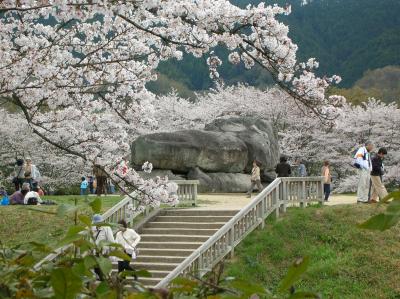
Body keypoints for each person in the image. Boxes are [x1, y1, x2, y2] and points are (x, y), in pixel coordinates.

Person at [91, 214, 115, 280]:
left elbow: (111, 240)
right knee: (96, 268)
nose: (98, 224)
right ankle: (101, 278)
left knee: (104, 268)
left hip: (105, 252)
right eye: (96, 223)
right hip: (96, 252)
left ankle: (105, 279)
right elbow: (91, 240)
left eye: (99, 222)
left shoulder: (107, 228)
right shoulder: (93, 228)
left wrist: (112, 250)